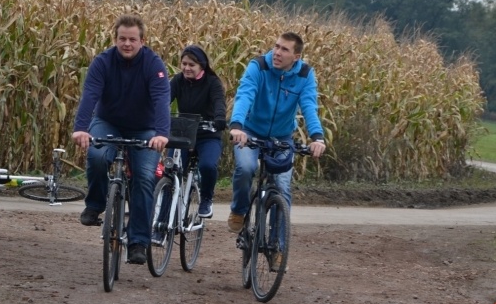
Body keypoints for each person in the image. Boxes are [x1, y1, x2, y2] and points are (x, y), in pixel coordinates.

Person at [71, 14, 170, 266]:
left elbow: (161, 99)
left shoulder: (153, 64)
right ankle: (94, 205)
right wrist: (81, 128)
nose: (127, 44)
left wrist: (162, 133)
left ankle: (138, 241)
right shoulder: (102, 62)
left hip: (145, 129)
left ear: (142, 41)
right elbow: (90, 95)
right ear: (115, 39)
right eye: (122, 39)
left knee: (145, 176)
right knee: (96, 155)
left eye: (132, 39)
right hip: (108, 122)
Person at [227, 32, 327, 250]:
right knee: (246, 167)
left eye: (284, 49)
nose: (277, 53)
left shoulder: (304, 74)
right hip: (250, 131)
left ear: (297, 56)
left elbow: (309, 105)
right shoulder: (259, 66)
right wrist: (236, 125)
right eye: (276, 46)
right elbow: (245, 95)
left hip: (281, 137)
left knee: (282, 187)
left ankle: (277, 246)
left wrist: (317, 137)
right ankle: (239, 209)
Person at [168, 45, 228, 219]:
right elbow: (164, 100)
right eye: (184, 64)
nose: (187, 68)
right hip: (184, 134)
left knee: (208, 165)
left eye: (191, 65)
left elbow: (219, 102)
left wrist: (219, 118)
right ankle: (161, 223)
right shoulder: (178, 81)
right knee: (169, 174)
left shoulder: (212, 82)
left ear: (201, 66)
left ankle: (206, 199)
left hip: (207, 133)